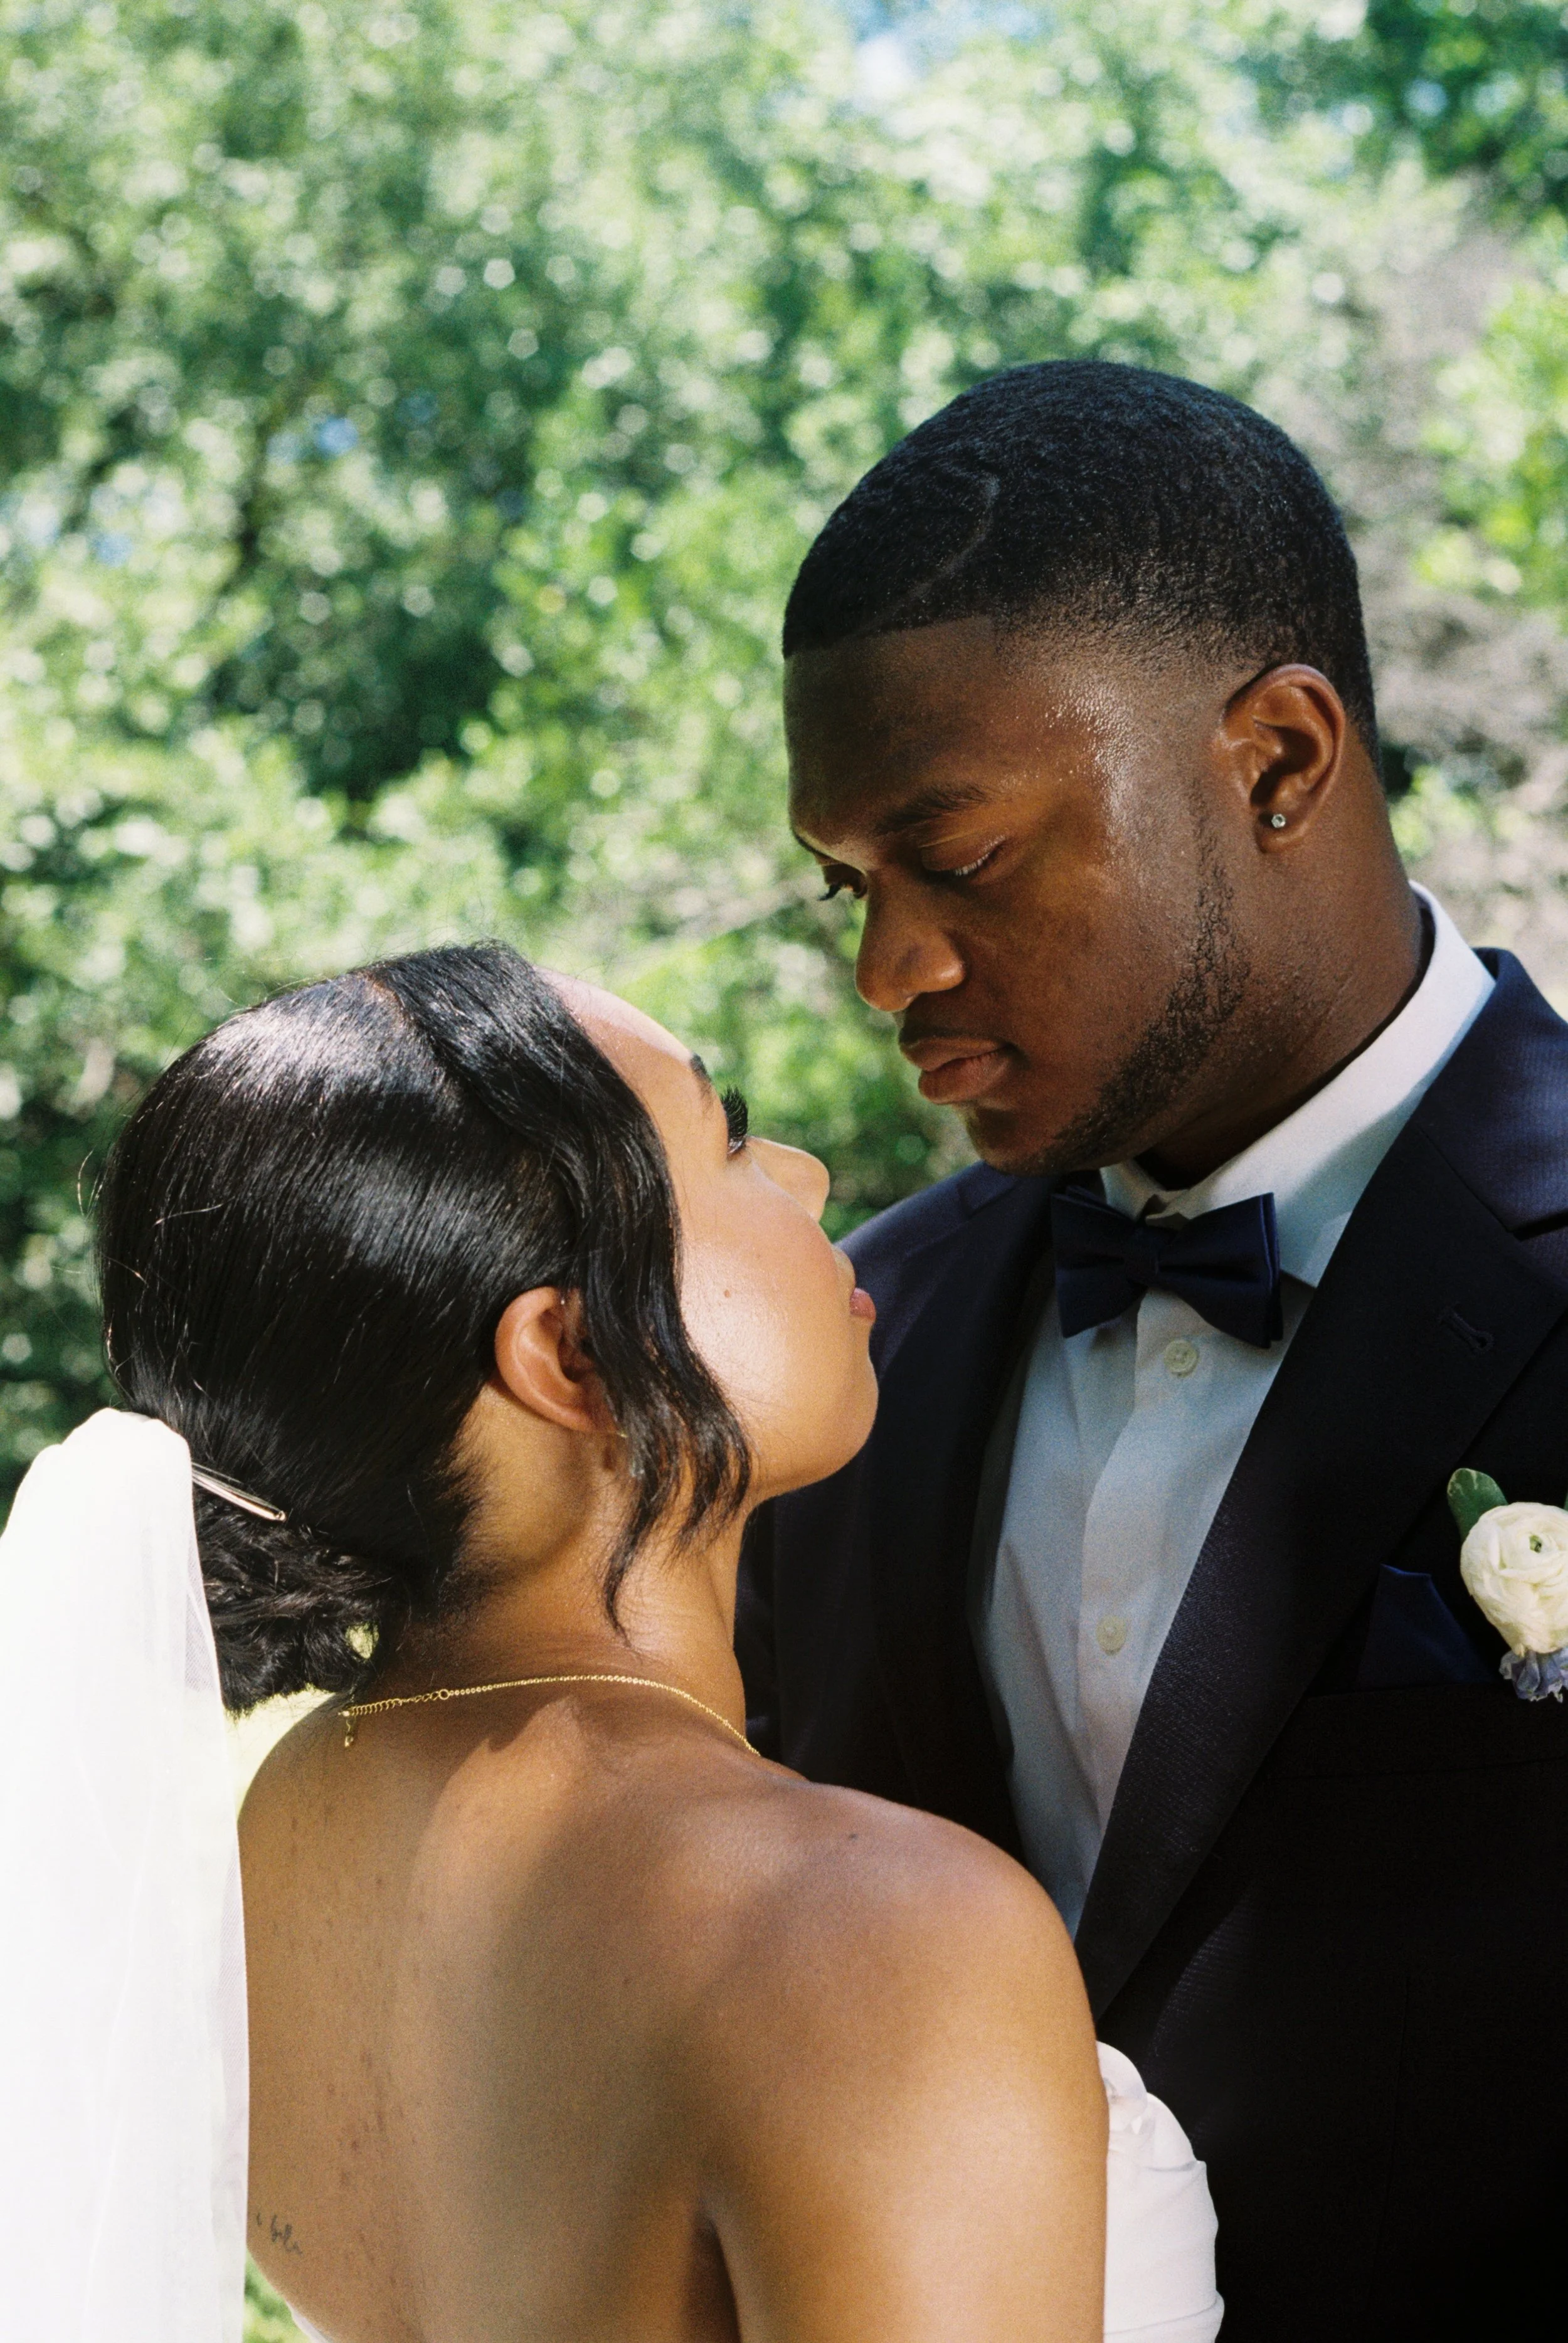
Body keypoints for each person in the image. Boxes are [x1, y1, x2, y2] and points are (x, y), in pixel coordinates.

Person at [0, 943, 1221, 2343]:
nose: (812, 1176)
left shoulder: (284, 1832)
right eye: (735, 1141)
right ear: (572, 1356)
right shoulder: (859, 1928)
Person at [737, 359, 1568, 2343]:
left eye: (964, 855)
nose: (885, 971)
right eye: (849, 887)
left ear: (1277, 759)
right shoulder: (849, 1349)